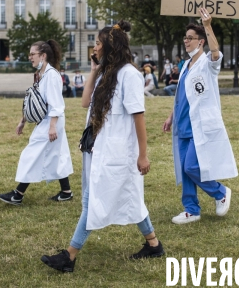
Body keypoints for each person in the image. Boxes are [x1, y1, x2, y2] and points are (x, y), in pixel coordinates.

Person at [41, 21, 164, 273]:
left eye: (97, 43)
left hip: (118, 151)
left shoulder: (129, 74)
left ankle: (70, 256)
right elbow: (85, 102)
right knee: (130, 197)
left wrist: (143, 155)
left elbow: (138, 116)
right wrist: (94, 71)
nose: (94, 48)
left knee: (93, 199)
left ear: (109, 45)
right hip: (99, 148)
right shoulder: (107, 73)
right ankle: (153, 244)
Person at [162, 8, 238, 225]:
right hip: (184, 124)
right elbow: (182, 95)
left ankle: (220, 192)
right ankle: (191, 209)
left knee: (191, 166)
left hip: (201, 125)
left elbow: (216, 53)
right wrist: (171, 116)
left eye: (190, 38)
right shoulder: (186, 64)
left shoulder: (207, 63)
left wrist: (207, 25)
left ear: (201, 42)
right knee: (185, 171)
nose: (186, 41)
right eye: (185, 38)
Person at [0, 40, 74, 205]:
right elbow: (35, 101)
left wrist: (52, 126)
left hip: (51, 121)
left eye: (33, 54)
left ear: (43, 55)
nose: (29, 57)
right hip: (49, 121)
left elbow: (57, 103)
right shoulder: (42, 74)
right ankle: (66, 191)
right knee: (56, 155)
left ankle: (18, 194)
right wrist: (23, 120)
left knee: (31, 155)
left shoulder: (52, 75)